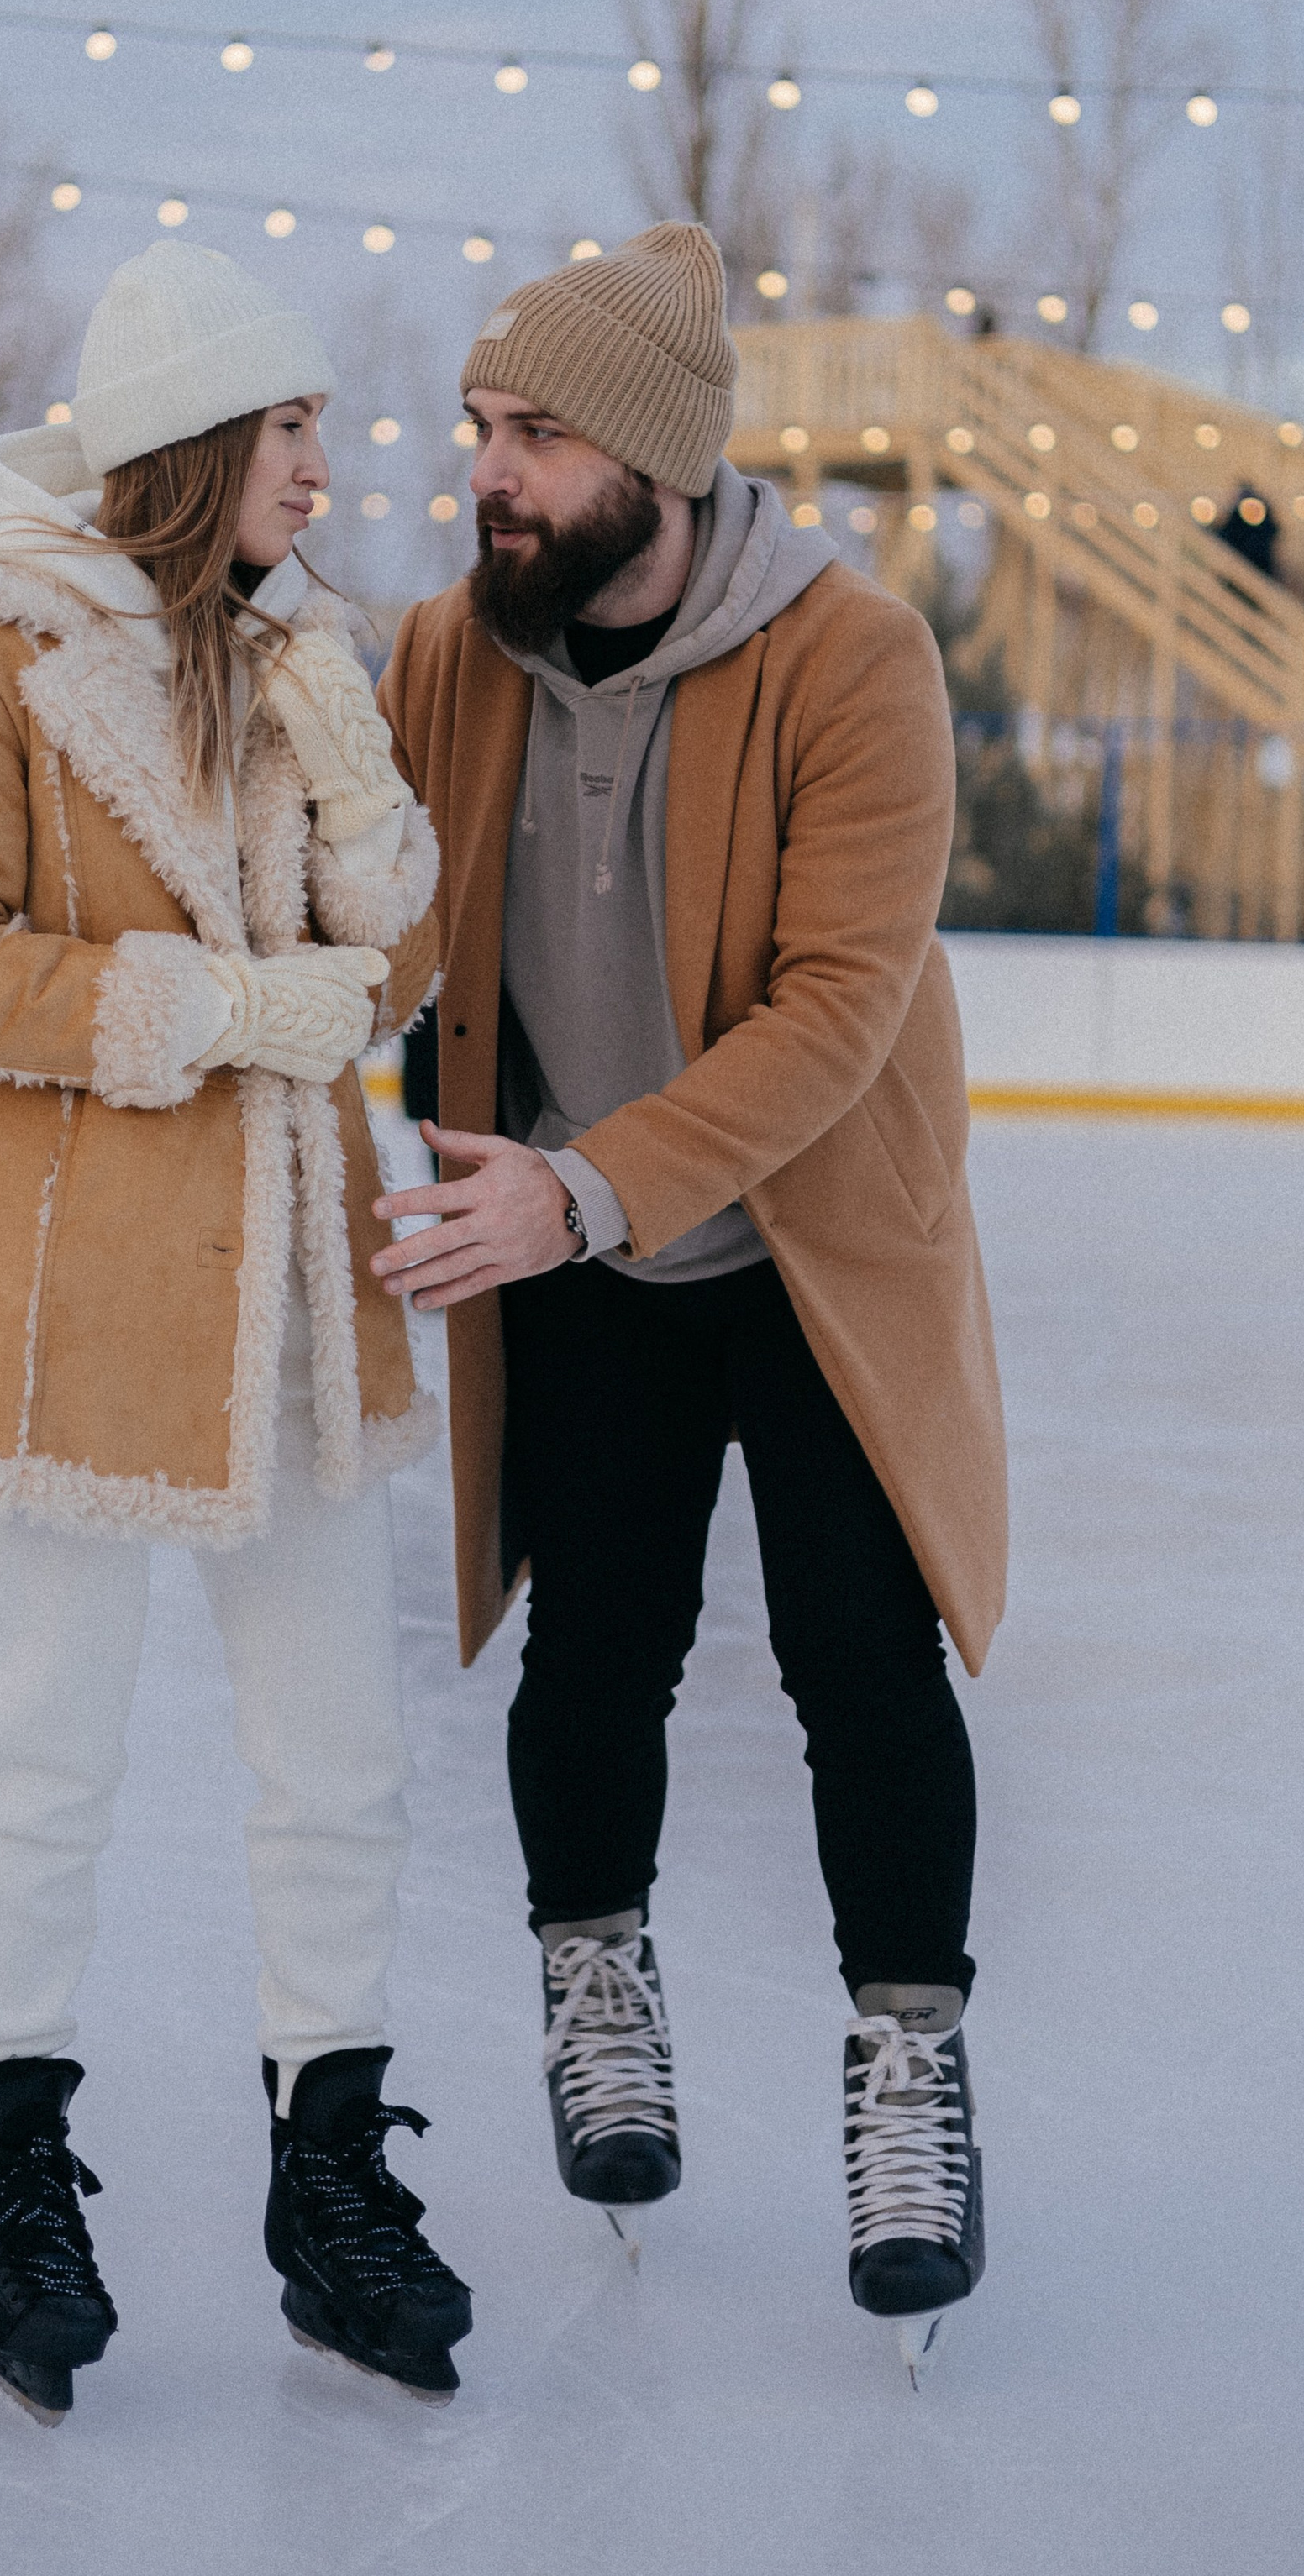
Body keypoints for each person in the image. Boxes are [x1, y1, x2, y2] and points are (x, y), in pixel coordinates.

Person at [374, 223, 1007, 2374]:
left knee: (857, 1649)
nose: (489, 468)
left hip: (807, 1248)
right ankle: (594, 1980)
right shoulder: (444, 655)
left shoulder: (854, 661)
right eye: (478, 426)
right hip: (575, 1234)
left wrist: (585, 1188)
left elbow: (841, 1003)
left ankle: (906, 2063)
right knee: (596, 1644)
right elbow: (359, 913)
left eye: (532, 430)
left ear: (652, 458)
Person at [0, 241, 472, 2421]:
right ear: (199, 448)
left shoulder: (298, 659)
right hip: (77, 1317)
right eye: (293, 427)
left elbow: (376, 964)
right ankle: (7, 2178)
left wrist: (355, 793)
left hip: (306, 1302)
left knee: (343, 1768)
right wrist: (213, 1011)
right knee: (41, 1756)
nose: (329, 461)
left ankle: (330, 2189)